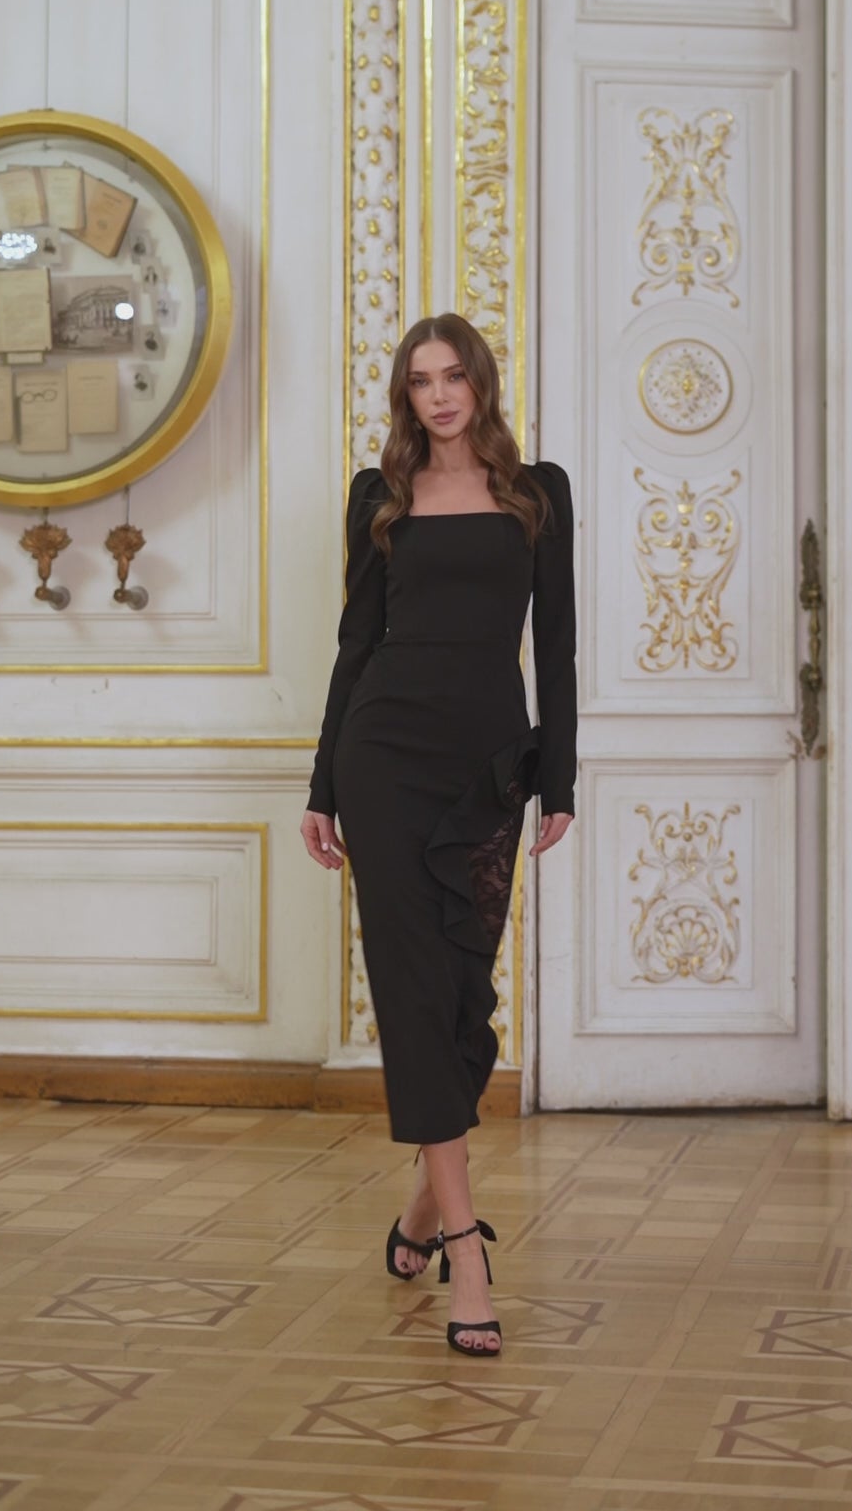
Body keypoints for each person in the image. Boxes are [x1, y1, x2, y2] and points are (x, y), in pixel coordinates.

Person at [301, 312, 577, 1357]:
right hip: (383, 758)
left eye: (455, 376)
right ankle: (465, 1247)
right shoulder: (379, 496)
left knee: (465, 993)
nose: (441, 395)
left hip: (486, 766)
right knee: (415, 987)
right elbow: (353, 645)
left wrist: (559, 780)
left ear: (482, 384)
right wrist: (323, 787)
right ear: (405, 396)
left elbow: (558, 646)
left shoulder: (535, 493)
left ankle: (423, 1203)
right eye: (421, 381)